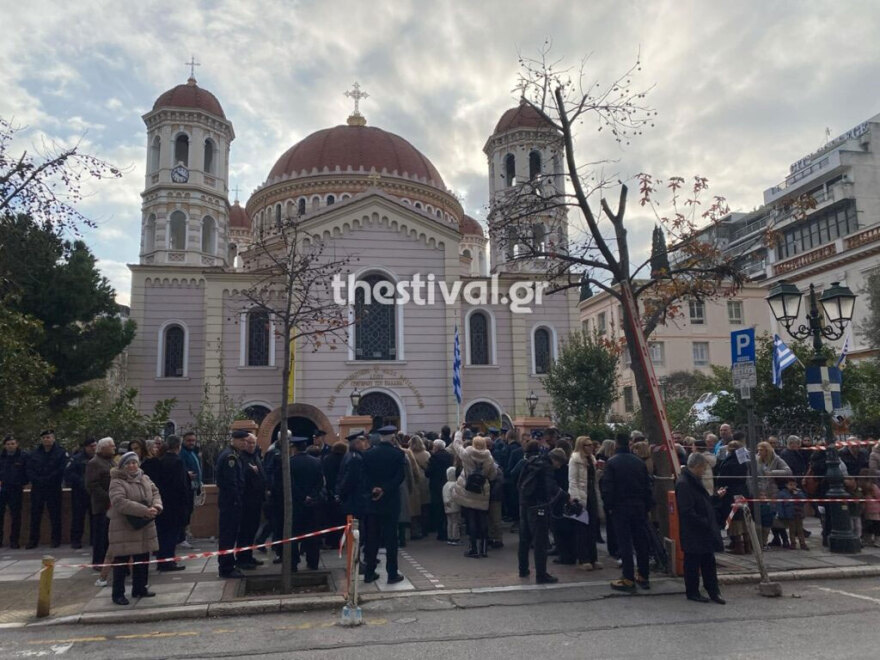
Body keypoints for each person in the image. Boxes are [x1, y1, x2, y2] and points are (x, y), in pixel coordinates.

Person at [601, 434, 654, 594]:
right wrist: (646, 506)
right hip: (639, 506)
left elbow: (608, 488)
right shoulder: (638, 462)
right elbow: (647, 485)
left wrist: (608, 507)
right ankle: (643, 576)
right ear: (629, 443)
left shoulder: (612, 463)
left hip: (620, 507)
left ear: (616, 444)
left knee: (625, 543)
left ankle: (628, 577)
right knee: (641, 542)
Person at [108, 452, 162, 605]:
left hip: (144, 525)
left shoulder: (144, 478)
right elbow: (119, 502)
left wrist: (156, 506)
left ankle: (140, 588)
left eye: (134, 463)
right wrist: (144, 510)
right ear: (122, 466)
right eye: (128, 463)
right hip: (124, 525)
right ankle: (118, 593)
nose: (132, 466)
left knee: (143, 558)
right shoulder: (117, 481)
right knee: (121, 560)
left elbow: (155, 492)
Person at [675, 452, 726, 604]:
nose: (704, 471)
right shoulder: (684, 483)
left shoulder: (693, 481)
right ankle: (693, 591)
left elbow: (703, 502)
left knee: (708, 562)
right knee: (693, 562)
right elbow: (687, 511)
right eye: (703, 468)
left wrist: (715, 498)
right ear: (696, 466)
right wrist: (705, 522)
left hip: (703, 529)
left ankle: (713, 591)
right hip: (694, 530)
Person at [362, 425, 406, 585]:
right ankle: (392, 573)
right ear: (393, 437)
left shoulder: (368, 455)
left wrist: (373, 489)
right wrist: (385, 489)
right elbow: (400, 477)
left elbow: (364, 477)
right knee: (391, 540)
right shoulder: (398, 454)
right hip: (390, 502)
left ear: (380, 437)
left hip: (372, 502)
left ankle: (369, 573)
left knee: (371, 538)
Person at [516, 440, 562, 584]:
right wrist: (564, 496)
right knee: (540, 542)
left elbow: (519, 481)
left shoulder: (531, 462)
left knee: (524, 539)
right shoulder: (546, 467)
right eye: (559, 465)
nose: (558, 467)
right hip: (539, 506)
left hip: (525, 504)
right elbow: (551, 487)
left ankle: (523, 570)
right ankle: (541, 574)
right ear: (555, 460)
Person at [142, 434, 189, 571]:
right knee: (171, 535)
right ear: (178, 446)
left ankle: (163, 559)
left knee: (163, 533)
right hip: (174, 504)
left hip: (161, 502)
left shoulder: (160, 460)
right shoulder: (177, 461)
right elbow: (180, 486)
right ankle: (167, 562)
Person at [450, 430, 498, 559]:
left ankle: (473, 548)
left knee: (471, 519)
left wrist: (459, 432)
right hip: (482, 491)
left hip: (468, 490)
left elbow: (456, 445)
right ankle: (483, 548)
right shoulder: (489, 458)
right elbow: (493, 475)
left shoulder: (467, 454)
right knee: (482, 519)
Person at [286, 436, 325, 571]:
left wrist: (301, 496)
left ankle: (293, 563)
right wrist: (311, 496)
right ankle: (313, 562)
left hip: (296, 505)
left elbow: (289, 484)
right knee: (313, 535)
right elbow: (320, 482)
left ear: (294, 448)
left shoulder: (289, 463)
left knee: (293, 536)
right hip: (313, 505)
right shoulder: (316, 462)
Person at [26, 430, 68, 549]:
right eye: (44, 437)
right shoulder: (34, 453)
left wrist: (48, 479)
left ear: (53, 439)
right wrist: (37, 479)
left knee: (55, 515)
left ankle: (55, 540)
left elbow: (61, 470)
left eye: (48, 437)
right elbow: (29, 469)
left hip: (53, 487)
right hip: (37, 488)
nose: (46, 440)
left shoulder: (60, 452)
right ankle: (33, 540)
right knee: (35, 515)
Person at [216, 430, 248, 578]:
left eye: (245, 440)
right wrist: (236, 500)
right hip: (231, 502)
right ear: (233, 440)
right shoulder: (230, 457)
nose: (244, 443)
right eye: (241, 440)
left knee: (230, 534)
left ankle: (227, 563)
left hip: (231, 501)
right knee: (228, 535)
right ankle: (226, 567)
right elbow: (231, 482)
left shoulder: (234, 454)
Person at [234, 433, 267, 568]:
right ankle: (242, 559)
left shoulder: (255, 456)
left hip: (256, 500)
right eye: (249, 442)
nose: (252, 445)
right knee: (245, 531)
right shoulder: (241, 458)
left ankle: (248, 556)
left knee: (252, 530)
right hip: (247, 501)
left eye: (254, 443)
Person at [569, 436, 601, 570]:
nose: (591, 447)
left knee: (592, 527)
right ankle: (584, 558)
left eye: (591, 444)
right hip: (581, 496)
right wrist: (575, 497)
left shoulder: (591, 459)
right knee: (581, 528)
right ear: (581, 446)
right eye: (587, 445)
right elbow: (573, 480)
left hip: (592, 494)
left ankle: (593, 558)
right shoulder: (575, 459)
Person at [85, 437, 116, 568]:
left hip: (113, 505)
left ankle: (109, 560)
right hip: (102, 506)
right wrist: (108, 497)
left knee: (109, 536)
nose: (114, 448)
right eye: (112, 446)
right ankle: (98, 562)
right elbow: (92, 485)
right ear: (103, 448)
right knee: (100, 536)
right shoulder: (95, 463)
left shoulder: (111, 461)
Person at [755, 441, 792, 548]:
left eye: (761, 450)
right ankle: (776, 538)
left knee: (776, 517)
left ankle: (785, 539)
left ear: (767, 450)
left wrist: (773, 472)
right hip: (762, 491)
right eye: (758, 450)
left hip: (773, 491)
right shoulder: (758, 460)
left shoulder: (776, 459)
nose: (759, 452)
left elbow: (788, 471)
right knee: (768, 517)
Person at [717, 440, 750, 554]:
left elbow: (724, 477)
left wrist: (720, 484)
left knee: (734, 517)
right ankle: (748, 545)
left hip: (731, 491)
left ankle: (738, 546)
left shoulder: (730, 461)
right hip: (742, 490)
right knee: (744, 517)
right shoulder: (743, 460)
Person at [64, 437, 97, 549]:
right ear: (85, 447)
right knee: (78, 517)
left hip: (95, 493)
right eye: (91, 446)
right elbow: (69, 473)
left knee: (95, 517)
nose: (93, 448)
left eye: (95, 445)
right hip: (80, 493)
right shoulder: (76, 459)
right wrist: (82, 482)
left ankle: (95, 539)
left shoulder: (99, 458)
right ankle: (76, 540)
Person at [0, 435, 28, 549]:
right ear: (5, 446)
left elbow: (27, 472)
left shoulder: (23, 457)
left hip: (16, 489)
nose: (10, 446)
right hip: (2, 489)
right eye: (8, 444)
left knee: (16, 516)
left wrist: (21, 483)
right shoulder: (1, 457)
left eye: (12, 444)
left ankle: (14, 540)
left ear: (17, 445)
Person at [322, 440, 348, 548]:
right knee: (341, 519)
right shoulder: (345, 459)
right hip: (341, 492)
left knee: (330, 518)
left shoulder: (327, 459)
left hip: (329, 491)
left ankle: (330, 540)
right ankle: (340, 540)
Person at [426, 438, 453, 540]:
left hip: (436, 486)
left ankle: (440, 533)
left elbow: (428, 473)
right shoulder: (450, 456)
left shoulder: (433, 457)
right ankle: (448, 531)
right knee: (448, 508)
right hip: (447, 484)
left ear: (436, 447)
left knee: (438, 509)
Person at [179, 431, 202, 549]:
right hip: (186, 487)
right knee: (185, 512)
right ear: (184, 440)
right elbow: (180, 468)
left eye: (193, 440)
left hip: (193, 486)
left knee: (189, 511)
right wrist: (187, 474)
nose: (191, 443)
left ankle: (185, 535)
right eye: (189, 440)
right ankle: (181, 538)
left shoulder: (192, 452)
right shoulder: (182, 453)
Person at [776, 478, 808, 550]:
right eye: (790, 485)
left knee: (800, 530)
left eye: (794, 485)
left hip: (799, 514)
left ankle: (802, 543)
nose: (792, 486)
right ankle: (793, 543)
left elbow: (804, 500)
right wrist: (782, 514)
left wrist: (798, 494)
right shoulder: (783, 493)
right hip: (790, 514)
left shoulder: (799, 492)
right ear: (786, 485)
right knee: (792, 530)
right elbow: (780, 505)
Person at [442, 466, 462, 545]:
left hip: (446, 506)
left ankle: (449, 537)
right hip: (454, 505)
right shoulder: (455, 484)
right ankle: (455, 538)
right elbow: (456, 496)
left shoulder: (445, 485)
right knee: (455, 522)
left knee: (449, 522)